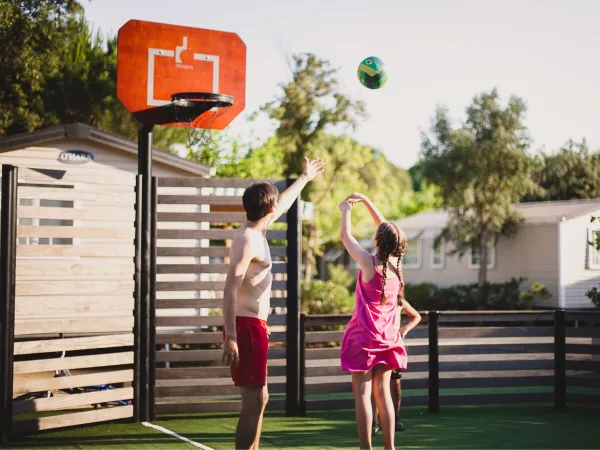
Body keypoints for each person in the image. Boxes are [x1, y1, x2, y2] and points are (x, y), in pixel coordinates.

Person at [221, 157, 324, 450]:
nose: (277, 206)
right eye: (274, 204)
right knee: (253, 401)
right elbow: (230, 288)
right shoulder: (247, 239)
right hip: (244, 327)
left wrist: (304, 178)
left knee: (260, 399)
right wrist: (231, 337)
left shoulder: (259, 230)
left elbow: (285, 203)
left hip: (255, 326)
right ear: (268, 208)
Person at [338, 192, 410, 450]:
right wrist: (368, 200)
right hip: (389, 340)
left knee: (363, 396)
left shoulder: (370, 265)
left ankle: (366, 448)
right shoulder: (395, 269)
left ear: (379, 240)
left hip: (364, 340)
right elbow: (389, 231)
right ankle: (389, 448)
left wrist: (345, 209)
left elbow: (346, 238)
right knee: (384, 396)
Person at [371, 297, 422, 436]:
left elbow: (416, 316)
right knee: (374, 383)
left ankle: (395, 417)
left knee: (395, 383)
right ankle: (373, 422)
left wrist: (404, 329)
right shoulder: (374, 298)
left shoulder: (399, 301)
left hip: (393, 345)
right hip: (376, 344)